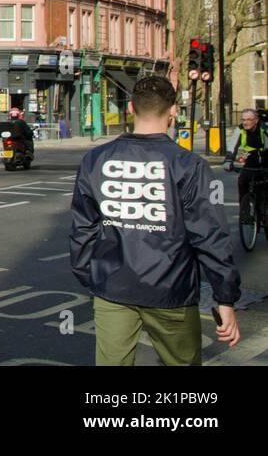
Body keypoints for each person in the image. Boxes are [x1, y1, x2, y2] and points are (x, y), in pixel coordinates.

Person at [69, 76, 241, 366]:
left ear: (131, 108)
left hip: (113, 286)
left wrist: (89, 274)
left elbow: (83, 227)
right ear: (173, 112)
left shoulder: (96, 159)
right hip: (171, 289)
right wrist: (225, 298)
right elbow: (210, 236)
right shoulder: (188, 165)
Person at [232, 109, 267, 222]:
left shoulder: (264, 129)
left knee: (262, 189)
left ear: (256, 120)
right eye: (243, 119)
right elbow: (232, 146)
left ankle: (262, 212)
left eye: (248, 119)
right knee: (242, 181)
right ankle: (245, 213)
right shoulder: (240, 130)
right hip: (248, 160)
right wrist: (228, 161)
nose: (245, 122)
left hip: (264, 160)